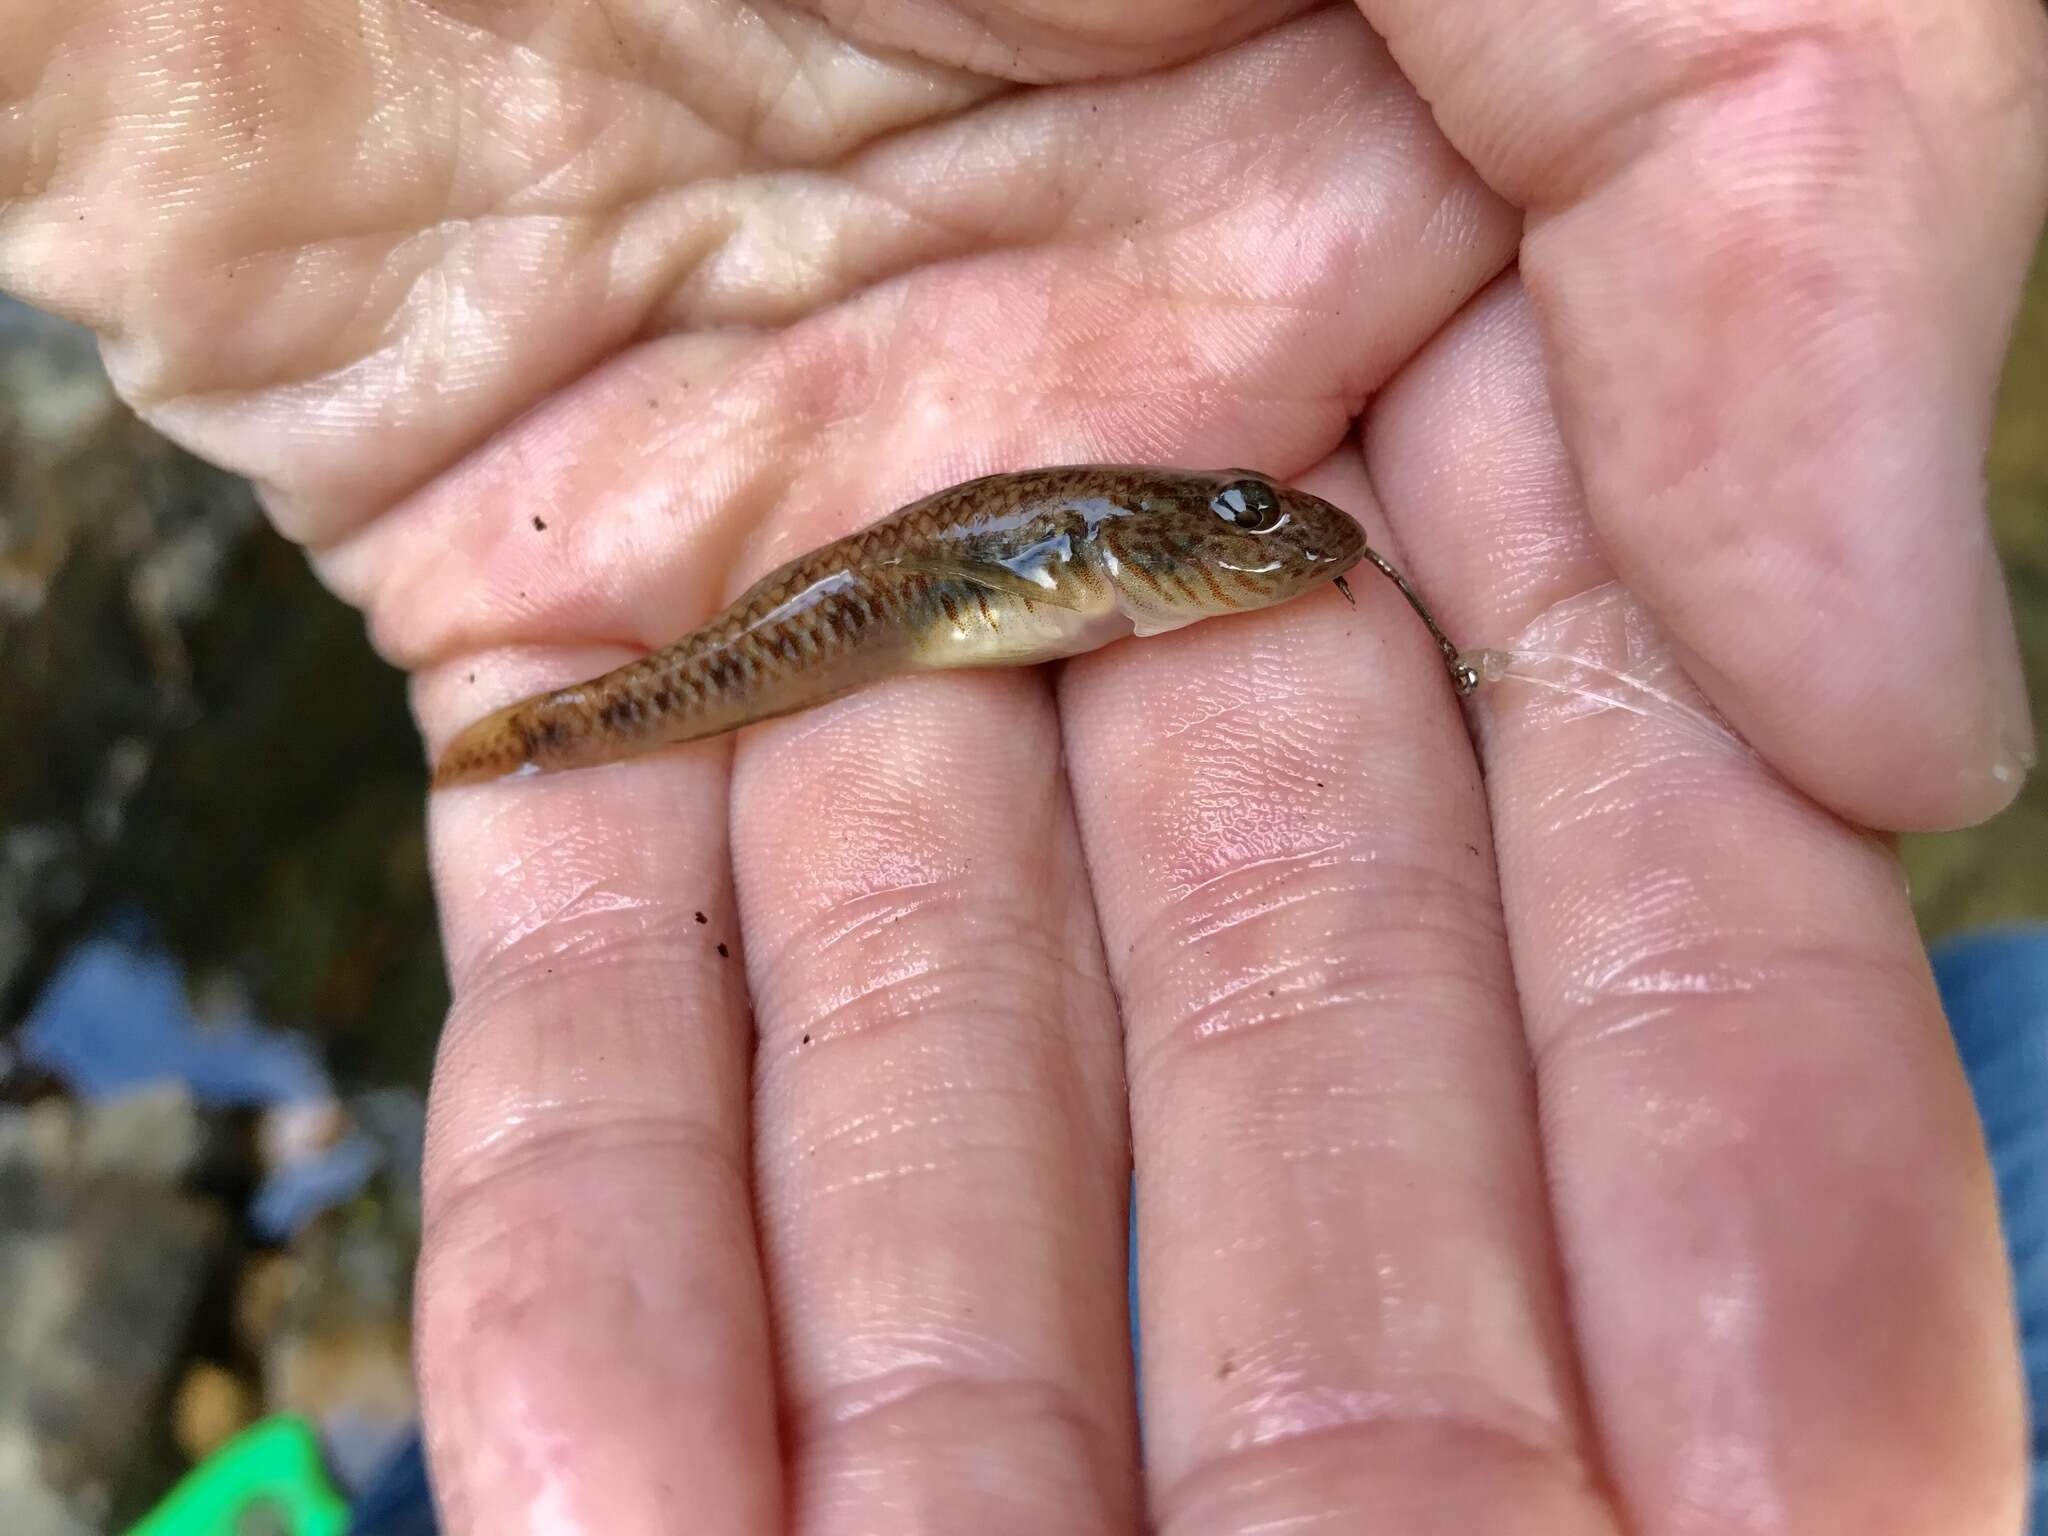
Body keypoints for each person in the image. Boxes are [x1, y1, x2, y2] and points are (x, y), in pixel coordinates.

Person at [5, 2, 2044, 1530]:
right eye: (1231, 539)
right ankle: (561, 739)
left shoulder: (1168, 549)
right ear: (1143, 556)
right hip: (854, 598)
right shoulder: (1120, 552)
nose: (1274, 554)